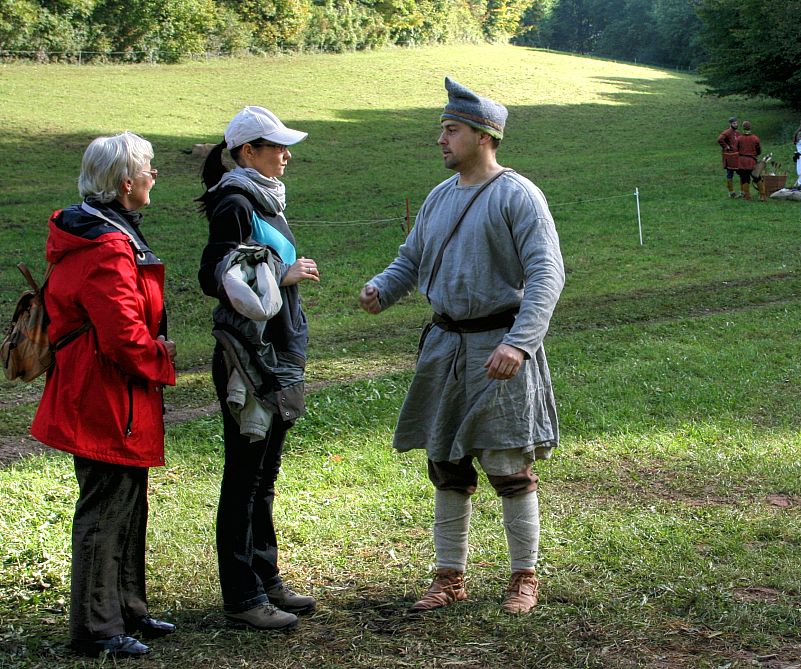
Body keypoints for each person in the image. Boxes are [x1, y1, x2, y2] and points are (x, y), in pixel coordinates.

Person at [359, 77, 565, 616]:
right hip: (445, 348)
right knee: (446, 463)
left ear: (483, 136)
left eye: (451, 130)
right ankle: (449, 576)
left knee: (507, 466)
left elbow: (547, 274)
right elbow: (411, 258)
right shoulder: (438, 196)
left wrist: (519, 344)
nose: (441, 139)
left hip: (500, 346)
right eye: (442, 130)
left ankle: (524, 577)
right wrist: (383, 287)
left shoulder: (518, 195)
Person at [30, 132, 177, 657]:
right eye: (150, 169)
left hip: (106, 391)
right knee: (106, 507)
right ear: (125, 183)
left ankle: (128, 612)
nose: (154, 176)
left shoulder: (101, 231)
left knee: (127, 501)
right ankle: (96, 629)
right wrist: (163, 357)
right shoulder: (106, 244)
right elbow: (121, 336)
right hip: (104, 394)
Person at [197, 106, 320, 631]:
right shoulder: (236, 202)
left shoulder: (264, 200)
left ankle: (266, 581)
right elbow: (213, 275)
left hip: (275, 353)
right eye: (276, 147)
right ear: (248, 151)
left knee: (263, 476)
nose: (286, 155)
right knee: (245, 478)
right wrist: (283, 274)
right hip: (248, 358)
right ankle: (243, 596)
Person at [734, 120, 762, 201]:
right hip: (752, 161)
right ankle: (762, 195)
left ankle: (747, 196)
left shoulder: (739, 138)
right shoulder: (755, 138)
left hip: (742, 162)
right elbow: (759, 150)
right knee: (757, 178)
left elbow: (736, 149)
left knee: (744, 178)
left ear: (743, 128)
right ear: (750, 127)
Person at [717, 117, 741, 198]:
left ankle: (742, 192)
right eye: (734, 123)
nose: (736, 124)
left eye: (736, 123)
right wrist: (726, 147)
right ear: (730, 124)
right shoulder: (727, 132)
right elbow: (720, 139)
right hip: (729, 156)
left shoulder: (737, 133)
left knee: (741, 173)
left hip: (737, 156)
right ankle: (731, 193)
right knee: (730, 174)